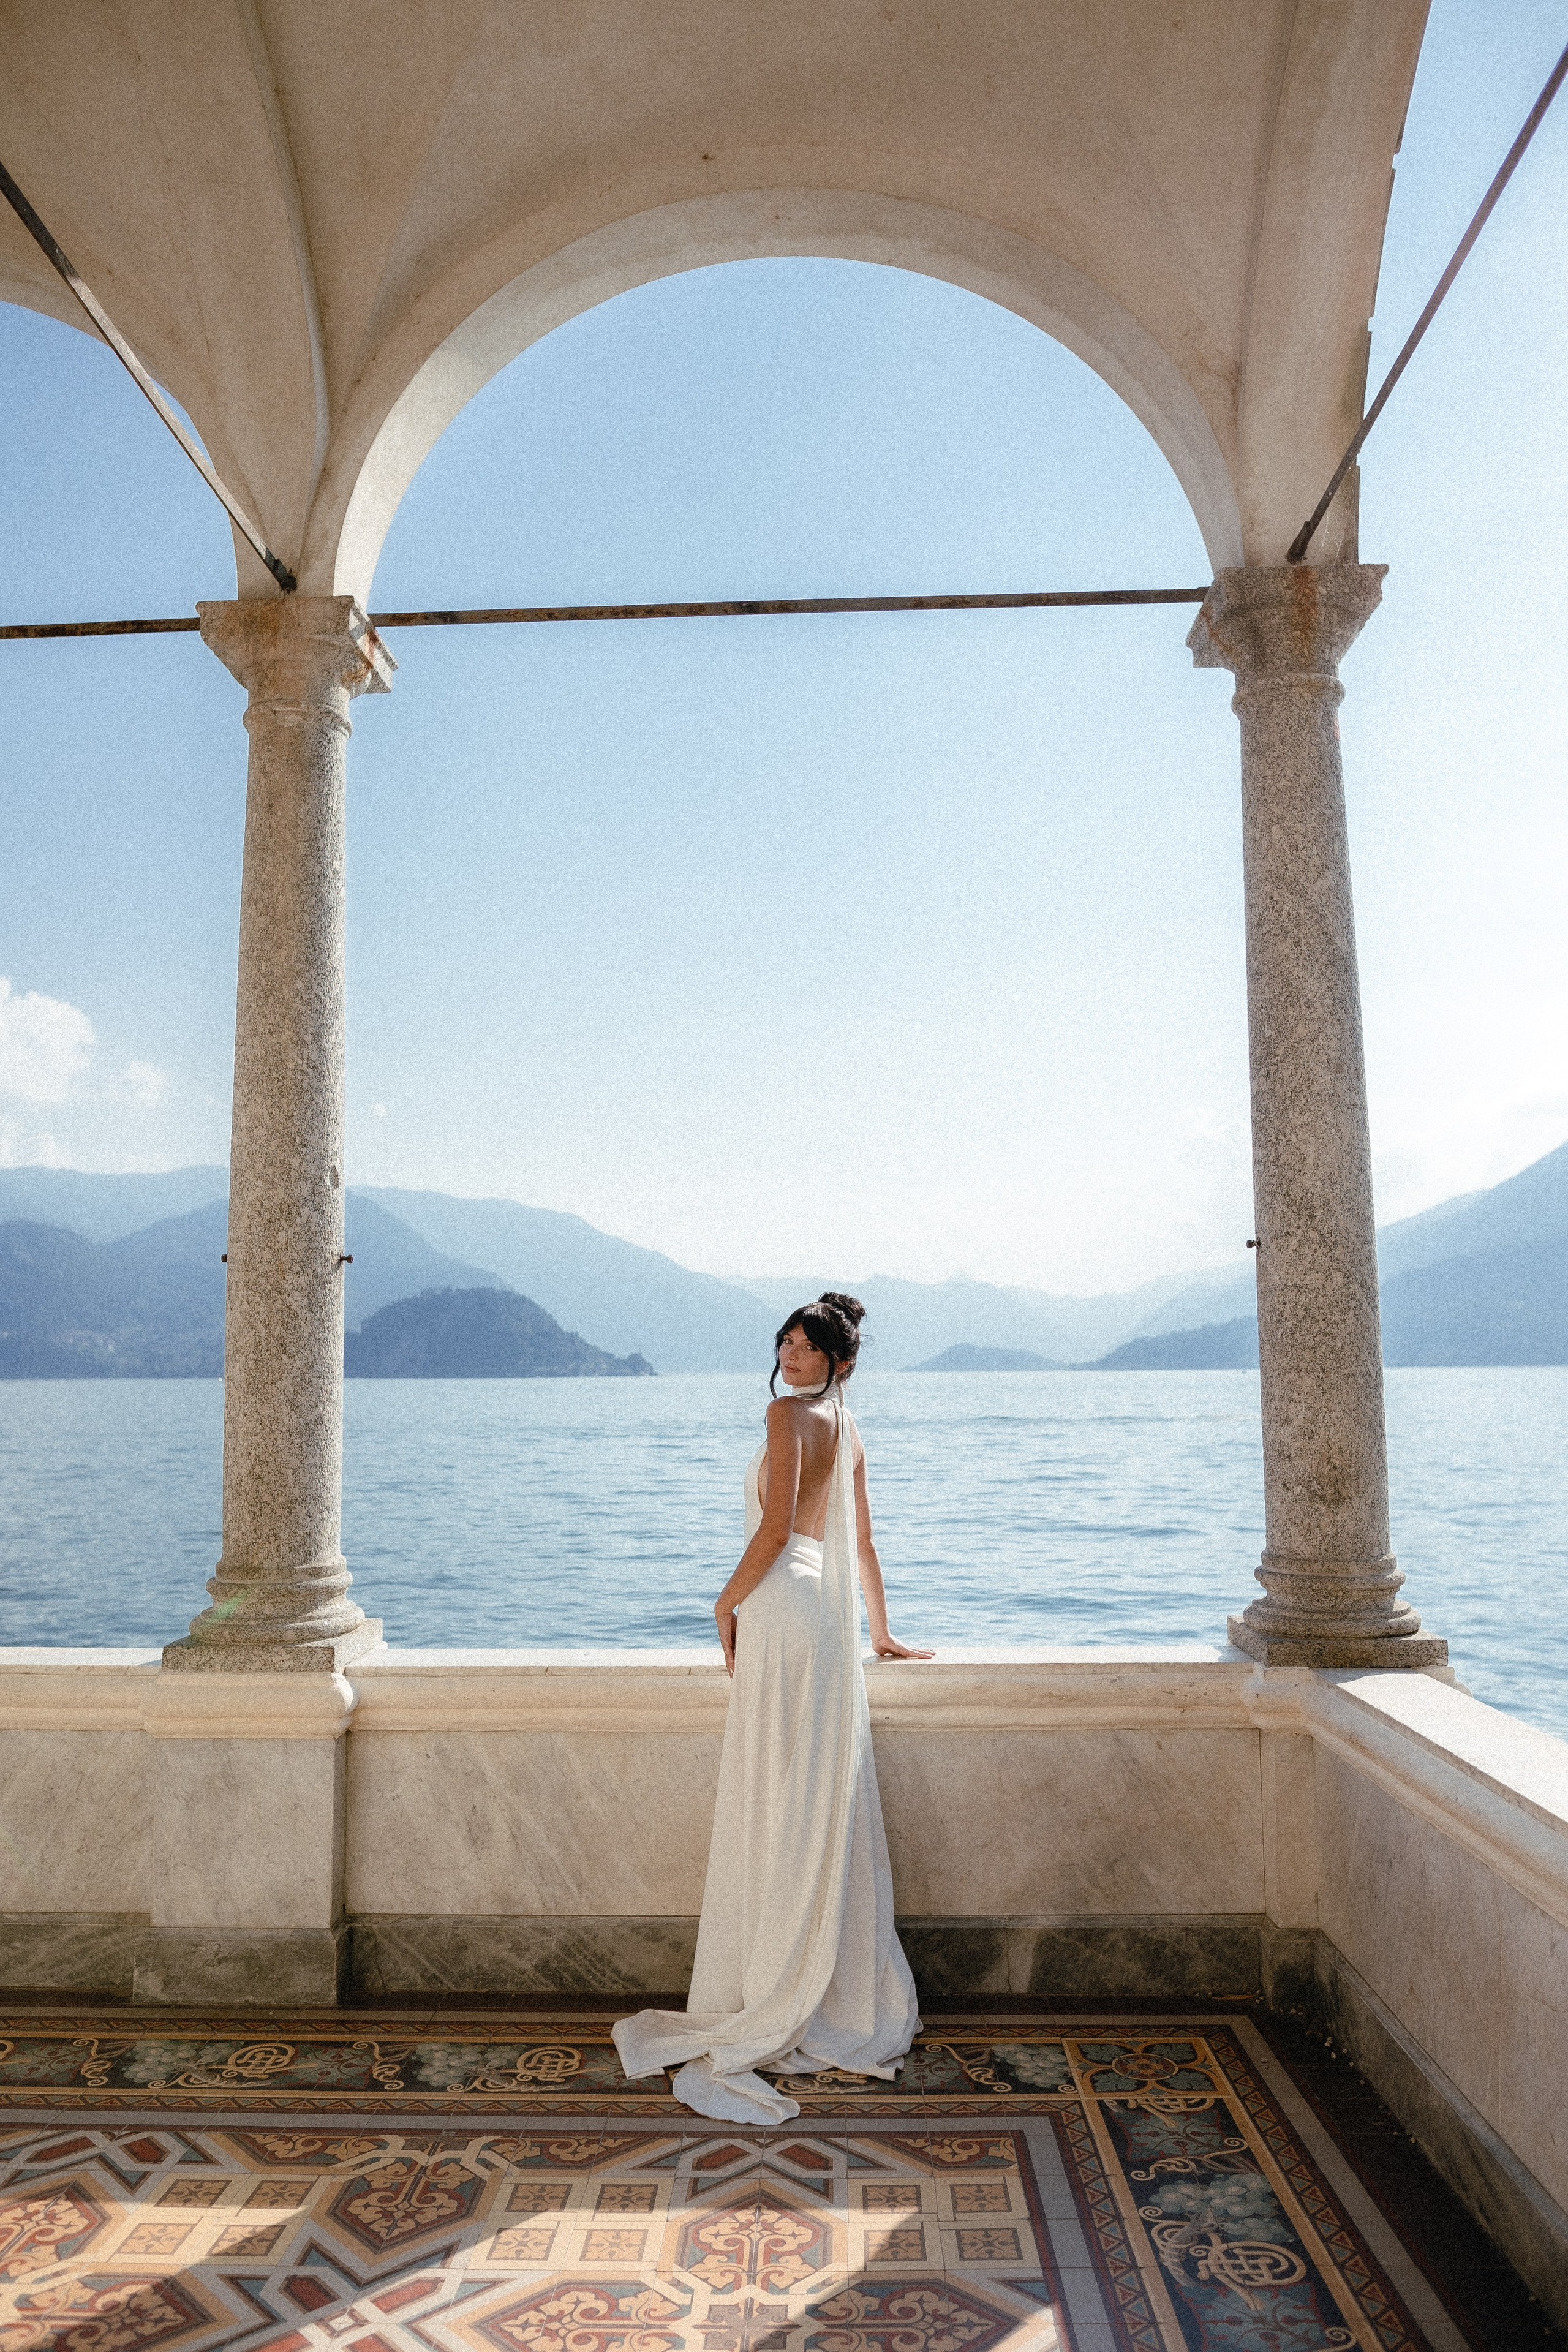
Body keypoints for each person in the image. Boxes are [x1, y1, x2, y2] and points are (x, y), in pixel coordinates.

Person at [612, 1293, 933, 2125]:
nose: (793, 1353)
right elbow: (859, 1542)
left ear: (842, 1359)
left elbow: (777, 1530)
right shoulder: (851, 1426)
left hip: (782, 1606)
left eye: (810, 1344)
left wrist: (723, 1605)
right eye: (787, 1341)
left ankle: (769, 1982)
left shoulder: (788, 1418)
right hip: (826, 1624)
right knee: (809, 1794)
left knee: (773, 1793)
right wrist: (884, 1632)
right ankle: (820, 1983)